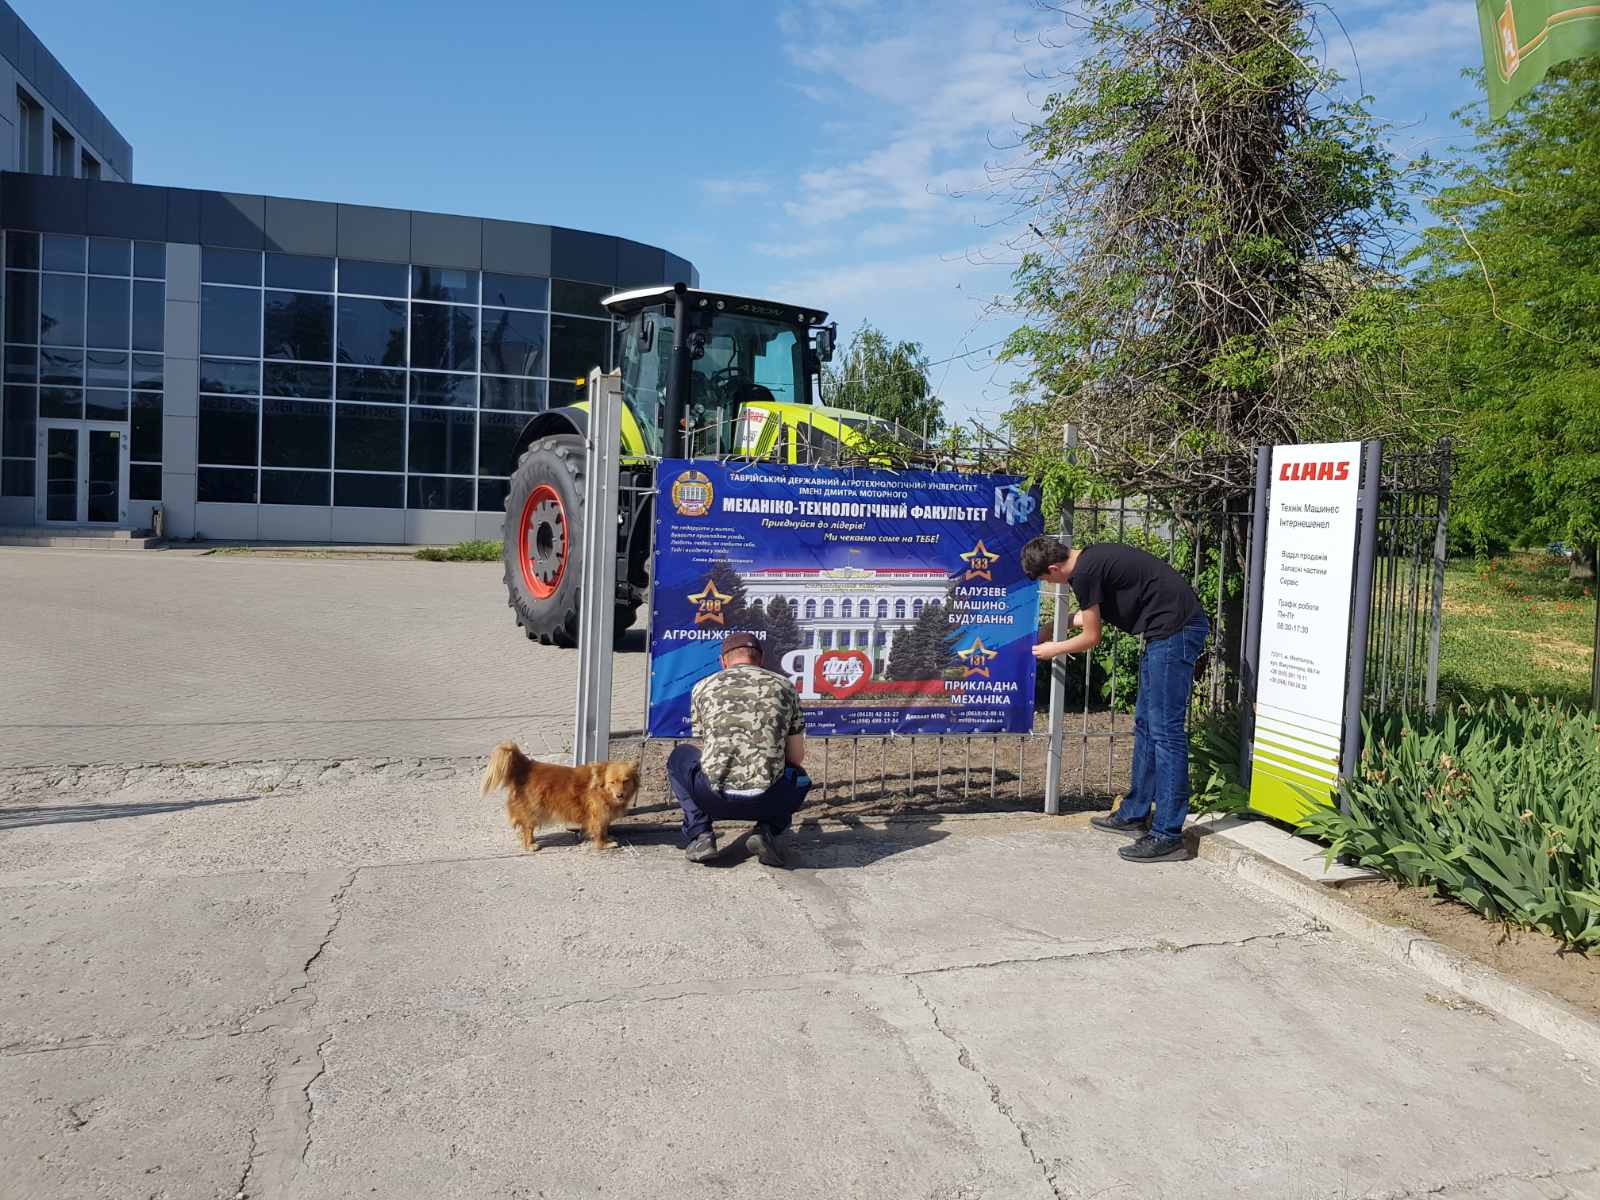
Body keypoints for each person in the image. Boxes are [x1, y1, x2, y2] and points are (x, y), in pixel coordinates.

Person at [1023, 536, 1210, 863]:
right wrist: (1052, 627)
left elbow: (1091, 636)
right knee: (1146, 726)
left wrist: (1054, 649)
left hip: (1175, 632)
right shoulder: (1090, 560)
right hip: (1165, 633)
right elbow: (1089, 617)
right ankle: (1134, 812)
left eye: (1046, 579)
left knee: (1166, 733)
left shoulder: (1084, 573)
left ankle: (1168, 835)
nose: (1051, 584)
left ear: (1053, 568)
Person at [666, 631, 812, 867]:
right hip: (769, 798)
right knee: (800, 778)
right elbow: (796, 757)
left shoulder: (703, 687)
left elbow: (707, 745)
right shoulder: (785, 687)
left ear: (723, 661)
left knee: (679, 756)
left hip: (713, 797)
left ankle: (701, 834)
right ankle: (768, 831)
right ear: (761, 660)